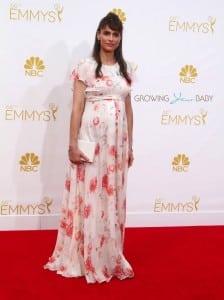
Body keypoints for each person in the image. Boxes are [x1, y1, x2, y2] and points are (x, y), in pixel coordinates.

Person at [44, 11, 135, 283]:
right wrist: (72, 144)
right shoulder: (85, 67)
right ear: (98, 34)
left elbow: (128, 110)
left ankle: (110, 255)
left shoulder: (126, 69)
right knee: (90, 196)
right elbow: (76, 109)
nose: (110, 38)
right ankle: (85, 257)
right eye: (106, 33)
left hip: (117, 147)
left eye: (115, 34)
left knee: (112, 197)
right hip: (91, 141)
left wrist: (131, 144)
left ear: (120, 38)